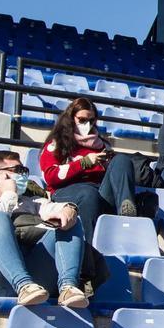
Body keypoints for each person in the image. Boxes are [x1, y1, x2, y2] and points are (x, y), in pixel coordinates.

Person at [0, 151, 88, 307]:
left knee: (69, 220)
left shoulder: (32, 202)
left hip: (36, 277)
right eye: (18, 171)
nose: (24, 176)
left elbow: (56, 209)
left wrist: (68, 209)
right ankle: (23, 285)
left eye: (25, 171)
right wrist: (9, 195)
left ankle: (68, 288)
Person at [39, 97, 139, 240]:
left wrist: (106, 164)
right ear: (71, 118)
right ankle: (91, 246)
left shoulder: (101, 145)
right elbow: (50, 176)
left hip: (99, 190)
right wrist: (84, 163)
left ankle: (126, 214)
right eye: (82, 120)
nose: (88, 124)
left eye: (91, 120)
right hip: (67, 190)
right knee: (88, 194)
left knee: (121, 160)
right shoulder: (56, 144)